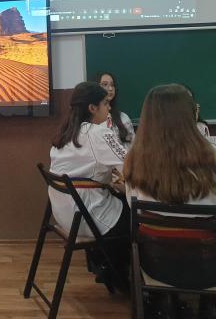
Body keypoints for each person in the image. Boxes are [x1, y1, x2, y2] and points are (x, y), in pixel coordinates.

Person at [124, 84, 216, 315]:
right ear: (191, 115)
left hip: (155, 266)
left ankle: (167, 302)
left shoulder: (134, 162)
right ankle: (207, 304)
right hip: (211, 268)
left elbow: (132, 208)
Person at [50, 81, 129, 284]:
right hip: (89, 217)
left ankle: (105, 266)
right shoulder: (98, 133)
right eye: (105, 103)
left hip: (65, 216)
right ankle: (125, 279)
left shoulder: (64, 133)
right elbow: (132, 167)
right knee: (138, 217)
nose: (109, 107)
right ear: (92, 108)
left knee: (119, 196)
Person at [97, 72, 135, 149]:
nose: (110, 89)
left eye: (112, 85)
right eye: (105, 85)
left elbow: (133, 146)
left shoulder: (123, 117)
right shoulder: (91, 120)